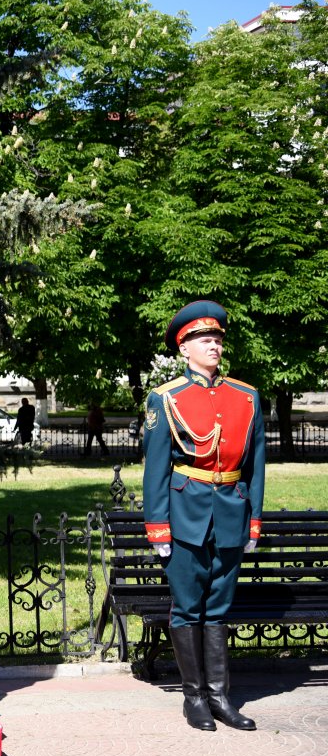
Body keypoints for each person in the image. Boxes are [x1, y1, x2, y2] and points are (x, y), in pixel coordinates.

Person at [142, 300, 264, 733]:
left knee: (218, 608)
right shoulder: (166, 398)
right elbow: (155, 468)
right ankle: (193, 697)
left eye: (216, 339)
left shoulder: (245, 397)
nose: (214, 345)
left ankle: (219, 696)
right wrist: (157, 526)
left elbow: (255, 466)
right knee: (188, 607)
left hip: (231, 511)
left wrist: (254, 520)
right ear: (184, 348)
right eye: (204, 339)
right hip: (185, 512)